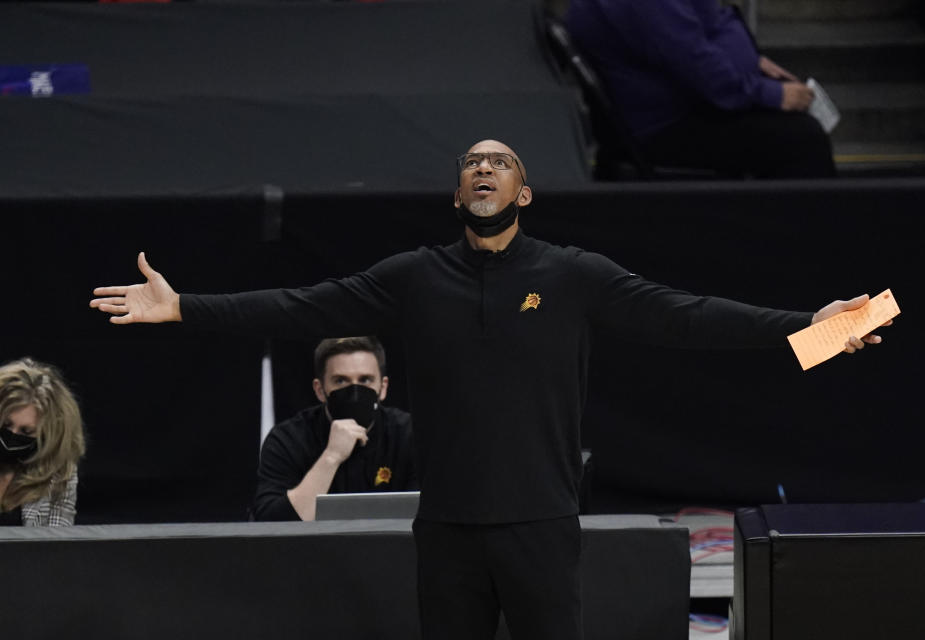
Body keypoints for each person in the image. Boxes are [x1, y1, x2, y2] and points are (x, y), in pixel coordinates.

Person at [90, 139, 885, 639]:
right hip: (447, 527)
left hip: (542, 521)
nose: (482, 168)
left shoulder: (571, 275)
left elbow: (688, 316)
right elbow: (304, 304)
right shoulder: (413, 277)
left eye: (499, 161)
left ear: (523, 193)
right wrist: (183, 307)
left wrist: (816, 329)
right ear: (458, 193)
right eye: (471, 162)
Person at [565, 0, 837, 178]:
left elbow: (704, 28)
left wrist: (751, 62)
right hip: (666, 127)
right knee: (802, 138)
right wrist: (772, 95)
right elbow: (697, 65)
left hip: (681, 104)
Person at [254, 336, 416, 521]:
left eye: (365, 380)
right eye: (340, 381)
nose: (355, 391)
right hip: (313, 547)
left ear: (383, 387)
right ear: (320, 390)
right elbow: (272, 524)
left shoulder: (408, 434)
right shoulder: (288, 438)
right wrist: (332, 456)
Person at [0, 358, 85, 527]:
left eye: (26, 431)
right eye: (5, 425)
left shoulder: (58, 474)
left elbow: (56, 545)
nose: (12, 435)